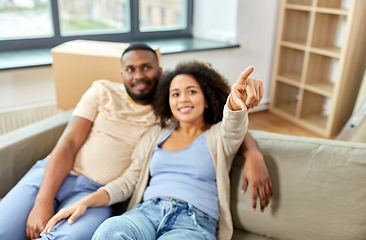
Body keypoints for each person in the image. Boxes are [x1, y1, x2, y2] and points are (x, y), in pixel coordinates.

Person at [0, 43, 270, 240]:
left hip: (190, 219)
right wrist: (64, 201)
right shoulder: (147, 124)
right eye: (175, 93)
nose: (183, 99)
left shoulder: (192, 127)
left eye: (191, 91)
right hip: (132, 206)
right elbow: (79, 148)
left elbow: (233, 126)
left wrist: (237, 107)